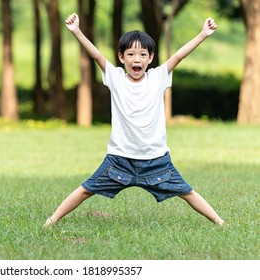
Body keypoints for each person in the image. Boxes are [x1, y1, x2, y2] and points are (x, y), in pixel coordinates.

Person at [44, 13, 224, 228]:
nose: (136, 59)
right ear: (121, 57)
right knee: (86, 189)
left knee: (186, 191)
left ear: (150, 57)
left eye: (142, 54)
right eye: (130, 54)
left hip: (156, 160)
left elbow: (178, 56)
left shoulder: (158, 77)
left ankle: (219, 222)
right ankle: (51, 221)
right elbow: (97, 56)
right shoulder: (115, 77)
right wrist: (76, 31)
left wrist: (203, 34)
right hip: (120, 159)